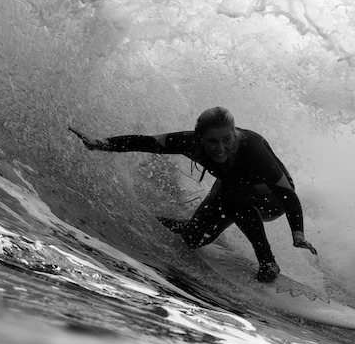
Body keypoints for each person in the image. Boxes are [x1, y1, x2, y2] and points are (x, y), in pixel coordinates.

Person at [70, 107, 317, 282]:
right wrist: (101, 143)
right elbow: (146, 142)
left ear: (234, 134)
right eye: (212, 142)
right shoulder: (189, 143)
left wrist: (298, 234)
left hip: (272, 200)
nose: (220, 148)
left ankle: (268, 262)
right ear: (200, 138)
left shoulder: (251, 150)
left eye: (226, 139)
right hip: (232, 187)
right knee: (192, 239)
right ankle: (189, 227)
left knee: (232, 196)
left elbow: (288, 195)